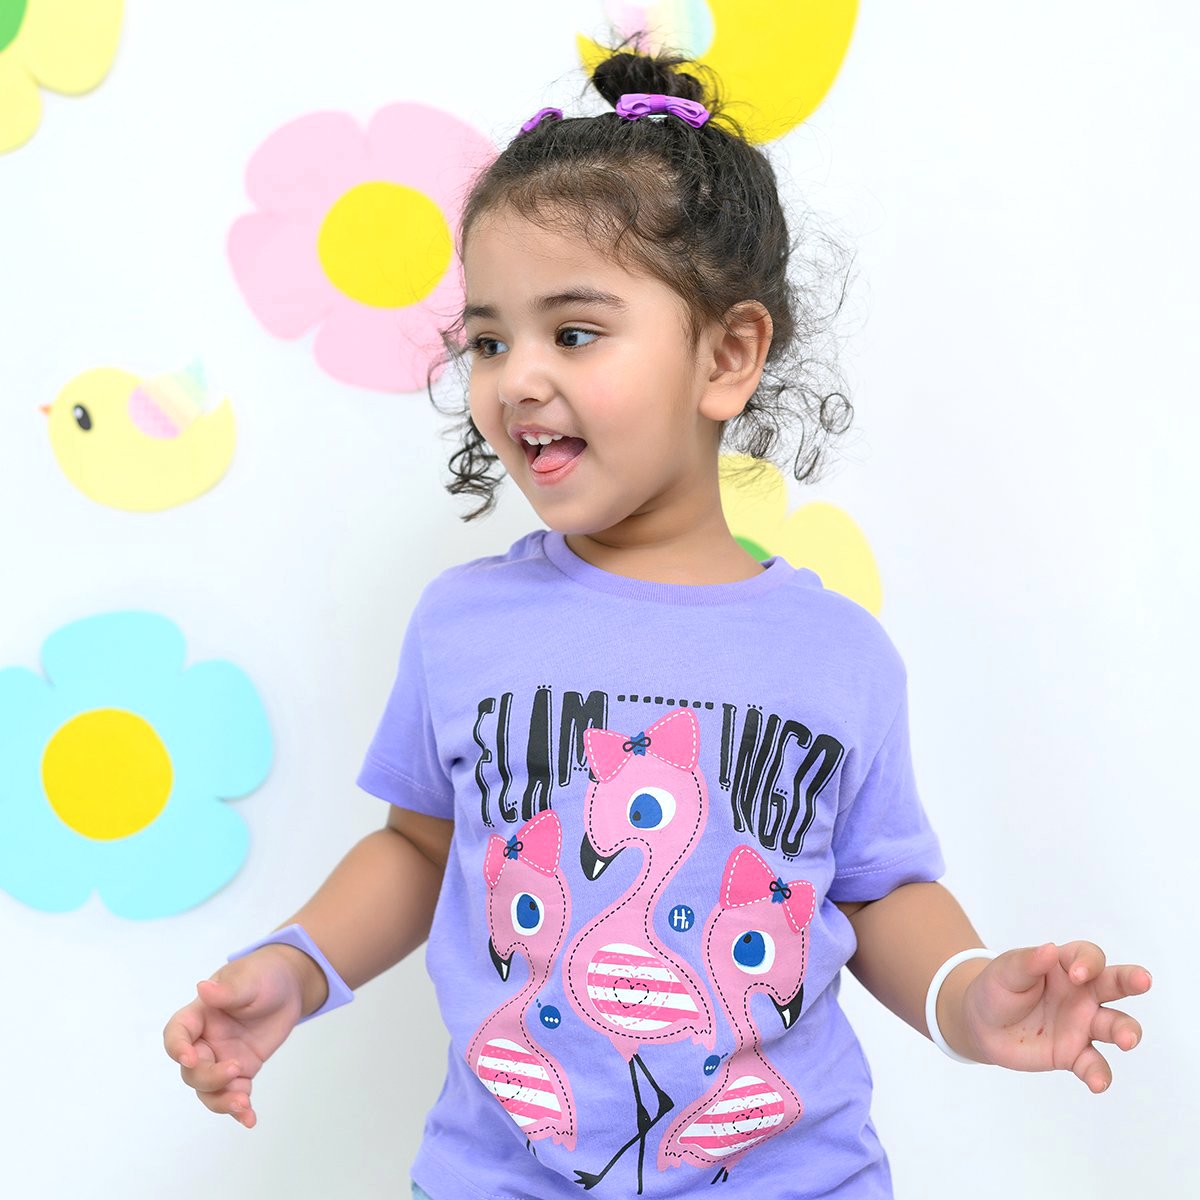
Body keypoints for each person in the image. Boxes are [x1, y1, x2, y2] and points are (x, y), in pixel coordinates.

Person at [162, 43, 1153, 1200]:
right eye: (490, 340)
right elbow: (419, 848)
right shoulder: (463, 625)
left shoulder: (840, 655)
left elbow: (881, 891)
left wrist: (968, 997)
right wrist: (297, 968)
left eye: (575, 332)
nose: (517, 378)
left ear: (727, 356)